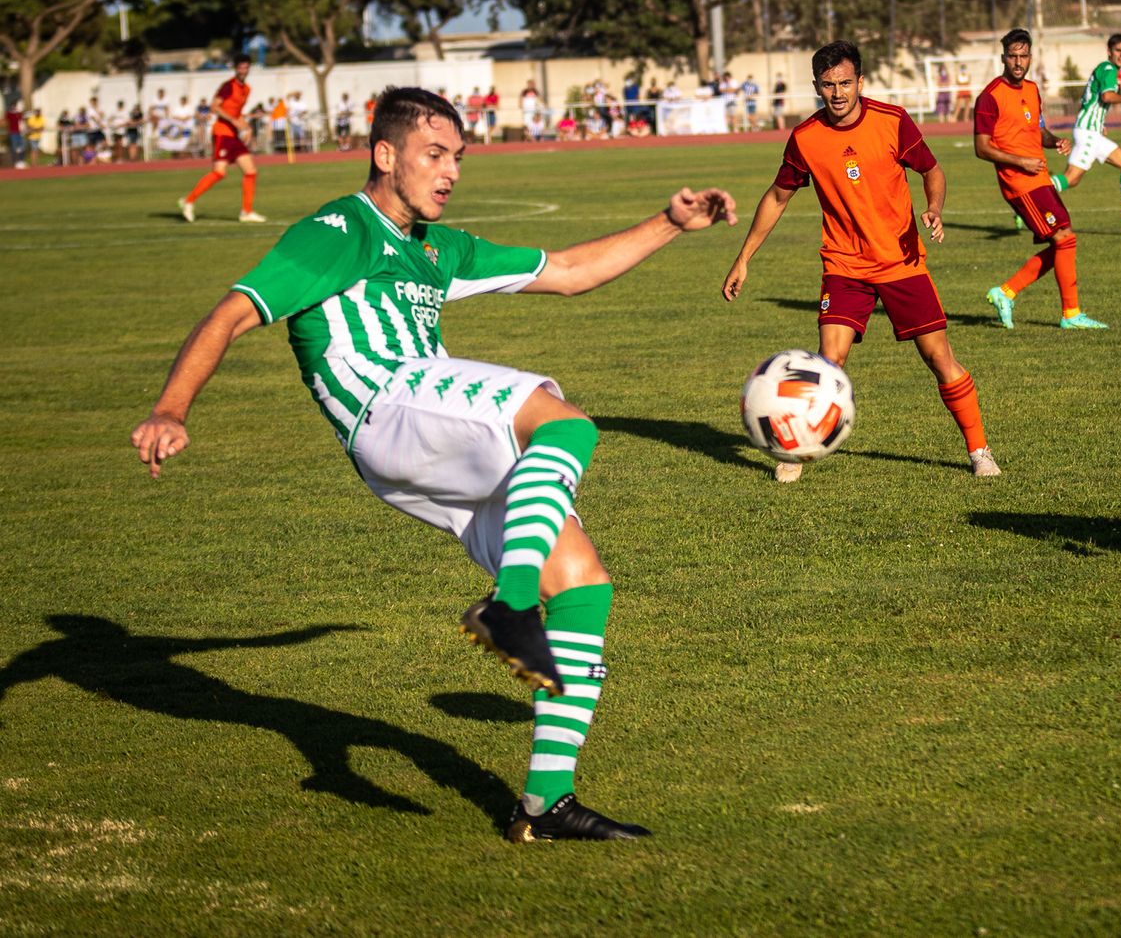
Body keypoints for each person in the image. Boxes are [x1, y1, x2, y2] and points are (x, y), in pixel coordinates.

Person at [131, 86, 737, 840]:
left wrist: (670, 224)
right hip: (386, 404)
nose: (450, 171)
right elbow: (234, 310)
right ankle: (507, 603)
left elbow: (570, 269)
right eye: (434, 154)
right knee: (565, 424)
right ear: (385, 156)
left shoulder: (436, 248)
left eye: (457, 157)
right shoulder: (340, 229)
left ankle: (543, 804)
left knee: (581, 581)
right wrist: (171, 408)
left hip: (422, 438)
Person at [721, 40, 999, 483]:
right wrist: (743, 259)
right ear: (816, 86)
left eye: (845, 83)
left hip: (901, 261)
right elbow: (777, 196)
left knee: (939, 357)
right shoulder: (806, 138)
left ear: (860, 81)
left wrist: (934, 207)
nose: (837, 93)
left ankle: (979, 449)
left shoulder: (893, 121)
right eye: (828, 85)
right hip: (844, 265)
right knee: (829, 362)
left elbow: (932, 169)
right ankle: (796, 450)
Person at [976, 28, 1109, 332]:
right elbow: (981, 148)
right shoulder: (990, 97)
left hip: (1040, 177)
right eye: (1012, 56)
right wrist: (1020, 161)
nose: (1018, 62)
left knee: (1064, 241)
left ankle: (1006, 292)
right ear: (1003, 58)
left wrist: (1055, 141)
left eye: (1023, 56)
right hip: (1019, 183)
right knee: (1064, 238)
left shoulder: (1032, 89)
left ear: (1030, 58)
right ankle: (1070, 313)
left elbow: (1038, 130)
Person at [1056, 33, 1121, 231]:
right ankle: (1028, 201)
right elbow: (1107, 96)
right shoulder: (1109, 68)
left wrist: (1099, 122)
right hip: (1088, 133)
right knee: (1071, 178)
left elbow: (1091, 100)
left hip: (1090, 131)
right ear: (1109, 51)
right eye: (1118, 50)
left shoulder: (1104, 69)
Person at [179, 54, 265, 223]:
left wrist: (246, 127)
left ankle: (246, 212)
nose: (243, 70)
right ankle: (188, 201)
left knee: (251, 171)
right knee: (219, 173)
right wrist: (234, 121)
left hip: (234, 134)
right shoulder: (228, 86)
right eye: (240, 67)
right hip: (222, 133)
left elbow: (237, 113)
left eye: (246, 67)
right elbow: (214, 106)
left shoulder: (246, 89)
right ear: (235, 68)